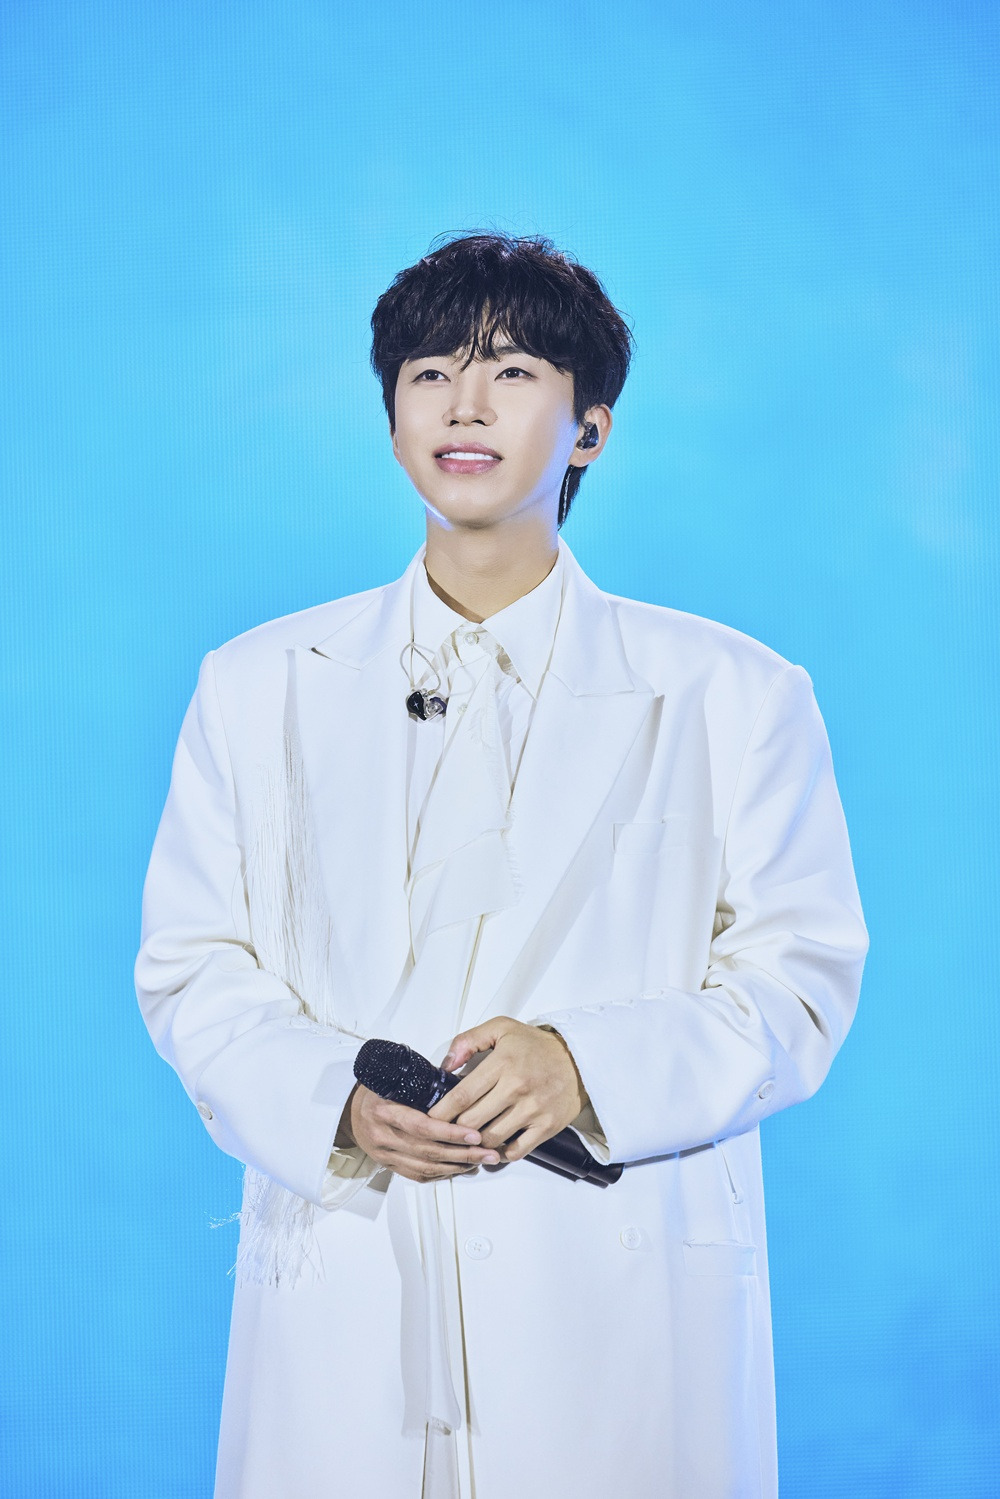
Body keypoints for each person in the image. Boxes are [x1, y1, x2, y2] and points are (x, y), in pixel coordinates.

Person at [135, 232, 868, 1499]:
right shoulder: (257, 685)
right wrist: (332, 1101)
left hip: (613, 1292)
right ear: (391, 419)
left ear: (589, 430)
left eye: (513, 371)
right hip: (352, 1278)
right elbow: (193, 965)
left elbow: (798, 980)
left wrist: (583, 1060)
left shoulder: (732, 692)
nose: (464, 405)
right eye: (430, 372)